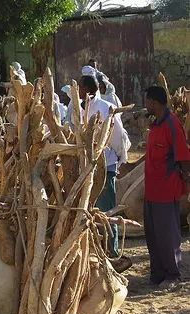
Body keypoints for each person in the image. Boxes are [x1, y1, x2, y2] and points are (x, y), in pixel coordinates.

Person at [78, 75, 132, 272]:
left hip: (105, 164)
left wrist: (120, 158)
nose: (80, 91)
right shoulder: (79, 108)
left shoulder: (104, 107)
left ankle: (113, 252)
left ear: (88, 89)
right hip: (85, 167)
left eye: (82, 87)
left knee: (106, 209)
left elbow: (118, 136)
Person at [144, 86, 190, 286]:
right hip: (151, 191)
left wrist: (187, 180)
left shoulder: (172, 124)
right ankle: (158, 274)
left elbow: (183, 155)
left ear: (153, 102)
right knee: (153, 235)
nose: (145, 104)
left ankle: (173, 275)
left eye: (146, 101)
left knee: (168, 235)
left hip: (166, 190)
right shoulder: (155, 125)